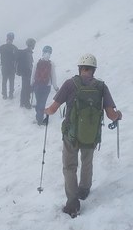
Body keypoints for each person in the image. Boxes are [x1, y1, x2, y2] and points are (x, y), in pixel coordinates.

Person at [44, 53, 122, 218]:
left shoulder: (70, 84)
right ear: (94, 70)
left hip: (71, 134)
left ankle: (72, 203)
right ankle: (84, 189)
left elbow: (53, 109)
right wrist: (118, 115)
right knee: (87, 161)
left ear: (80, 68)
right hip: (91, 134)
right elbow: (111, 114)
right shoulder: (101, 87)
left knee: (69, 167)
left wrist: (46, 111)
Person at [32, 45, 58, 125]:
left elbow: (33, 74)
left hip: (37, 85)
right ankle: (40, 119)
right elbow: (53, 76)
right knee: (42, 102)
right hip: (46, 86)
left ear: (43, 52)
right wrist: (55, 87)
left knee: (38, 101)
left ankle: (38, 118)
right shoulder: (51, 63)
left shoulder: (37, 62)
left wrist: (32, 83)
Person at [0, 32, 18, 99]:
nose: (9, 41)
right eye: (9, 40)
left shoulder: (3, 47)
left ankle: (8, 94)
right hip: (9, 67)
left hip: (8, 67)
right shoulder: (14, 47)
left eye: (10, 40)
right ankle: (7, 94)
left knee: (7, 81)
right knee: (8, 81)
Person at [18, 38, 36, 109]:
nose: (34, 45)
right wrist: (33, 73)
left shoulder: (25, 51)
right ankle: (27, 104)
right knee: (28, 88)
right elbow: (29, 65)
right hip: (28, 73)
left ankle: (22, 102)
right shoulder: (28, 52)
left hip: (23, 72)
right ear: (32, 44)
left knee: (24, 87)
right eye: (34, 44)